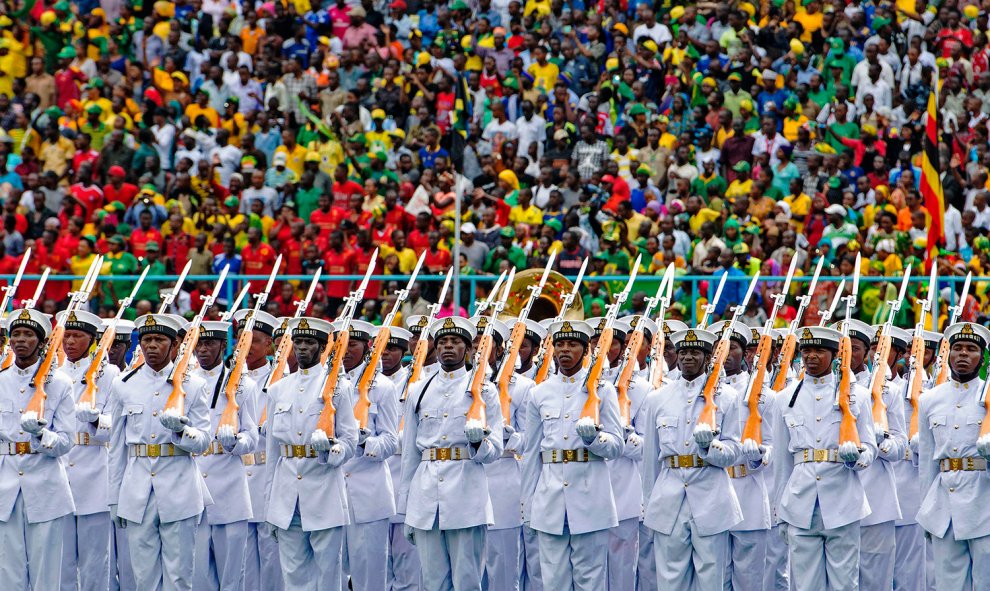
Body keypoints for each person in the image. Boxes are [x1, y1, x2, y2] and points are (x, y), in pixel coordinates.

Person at [107, 313, 213, 590]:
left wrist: (181, 431)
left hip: (179, 485)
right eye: (147, 340)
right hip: (137, 488)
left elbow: (203, 442)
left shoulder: (193, 384)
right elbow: (117, 446)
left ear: (175, 344)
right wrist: (114, 497)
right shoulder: (124, 384)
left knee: (179, 576)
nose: (152, 345)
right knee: (144, 577)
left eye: (159, 339)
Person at [399, 316, 504, 591]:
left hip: (466, 493)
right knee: (433, 582)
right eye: (443, 341)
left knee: (467, 579)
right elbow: (410, 453)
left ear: (469, 349)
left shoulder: (484, 390)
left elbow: (496, 449)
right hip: (425, 496)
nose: (448, 346)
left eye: (456, 341)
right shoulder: (419, 390)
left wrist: (479, 444)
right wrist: (406, 509)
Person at [772, 326, 878, 591]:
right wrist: (780, 512)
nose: (811, 356)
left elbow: (870, 446)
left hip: (842, 500)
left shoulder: (857, 396)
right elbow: (783, 462)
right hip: (800, 502)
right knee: (806, 584)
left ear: (834, 355)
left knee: (845, 583)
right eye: (806, 350)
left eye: (819, 350)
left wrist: (857, 457)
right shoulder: (785, 399)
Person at [521, 319, 623, 590]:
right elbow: (531, 454)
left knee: (590, 581)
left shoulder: (602, 390)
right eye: (560, 344)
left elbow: (616, 446)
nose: (565, 350)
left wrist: (594, 439)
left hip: (590, 497)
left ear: (586, 349)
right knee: (554, 582)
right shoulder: (539, 393)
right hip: (549, 498)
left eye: (573, 344)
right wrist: (528, 506)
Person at [641, 325, 744, 591]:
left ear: (708, 357)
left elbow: (734, 451)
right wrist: (650, 504)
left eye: (696, 352)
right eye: (683, 351)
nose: (688, 357)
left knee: (710, 579)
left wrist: (711, 447)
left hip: (710, 494)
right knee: (670, 580)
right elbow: (651, 458)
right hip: (669, 496)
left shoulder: (727, 397)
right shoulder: (657, 398)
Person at [264, 316, 358, 591]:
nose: (302, 348)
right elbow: (273, 453)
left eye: (309, 342)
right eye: (298, 342)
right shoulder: (279, 388)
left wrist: (332, 450)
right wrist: (270, 503)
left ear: (321, 347)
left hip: (324, 490)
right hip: (287, 494)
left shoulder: (337, 386)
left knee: (328, 575)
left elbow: (350, 440)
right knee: (294, 577)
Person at [0, 309, 75, 590]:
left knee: (46, 574)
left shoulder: (59, 383)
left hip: (45, 487)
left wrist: (42, 435)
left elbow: (67, 442)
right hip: (5, 487)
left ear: (42, 342)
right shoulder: (1, 380)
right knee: (8, 574)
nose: (20, 340)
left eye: (28, 335)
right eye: (16, 334)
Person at [917, 322, 990, 590]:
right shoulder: (930, 399)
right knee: (948, 584)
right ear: (948, 353)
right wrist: (925, 508)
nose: (963, 354)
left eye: (971, 349)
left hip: (984, 503)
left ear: (982, 357)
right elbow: (927, 462)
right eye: (957, 348)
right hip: (943, 505)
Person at [190, 319, 260, 591]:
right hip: (193, 489)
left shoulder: (243, 385)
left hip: (229, 491)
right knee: (198, 579)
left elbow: (252, 437)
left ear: (223, 345)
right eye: (200, 344)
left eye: (210, 344)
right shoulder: (184, 382)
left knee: (232, 579)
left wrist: (235, 442)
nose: (203, 350)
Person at [470, 315, 533, 591]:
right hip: (466, 481)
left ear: (499, 348)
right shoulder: (456, 385)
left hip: (504, 481)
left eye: (485, 344)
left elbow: (531, 440)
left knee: (504, 570)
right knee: (468, 572)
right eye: (473, 344)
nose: (478, 350)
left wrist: (509, 437)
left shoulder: (524, 387)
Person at [708, 320, 773, 591]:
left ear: (745, 353)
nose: (724, 354)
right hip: (712, 491)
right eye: (718, 348)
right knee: (715, 578)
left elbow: (772, 445)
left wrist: (759, 454)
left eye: (732, 347)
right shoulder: (705, 393)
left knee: (749, 579)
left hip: (748, 489)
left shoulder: (762, 394)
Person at [337, 319, 399, 591]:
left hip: (369, 492)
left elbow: (390, 442)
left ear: (367, 346)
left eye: (353, 343)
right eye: (341, 343)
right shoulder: (325, 386)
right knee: (330, 575)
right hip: (330, 492)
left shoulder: (383, 387)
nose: (346, 350)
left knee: (370, 579)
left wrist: (365, 443)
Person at [58, 309, 117, 591]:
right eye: (66, 335)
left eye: (77, 336)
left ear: (93, 339)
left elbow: (118, 428)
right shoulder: (53, 373)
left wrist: (97, 420)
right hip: (59, 475)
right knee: (62, 562)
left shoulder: (109, 373)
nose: (69, 341)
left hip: (94, 474)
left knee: (95, 562)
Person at [231, 308, 284, 591]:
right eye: (242, 339)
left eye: (255, 340)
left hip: (267, 476)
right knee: (243, 567)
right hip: (235, 479)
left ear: (270, 345)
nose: (247, 346)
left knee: (272, 562)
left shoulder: (281, 380)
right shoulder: (227, 380)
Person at [858, 325, 909, 591]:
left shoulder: (890, 391)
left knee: (876, 580)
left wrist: (883, 443)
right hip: (836, 500)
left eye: (856, 348)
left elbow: (902, 445)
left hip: (877, 498)